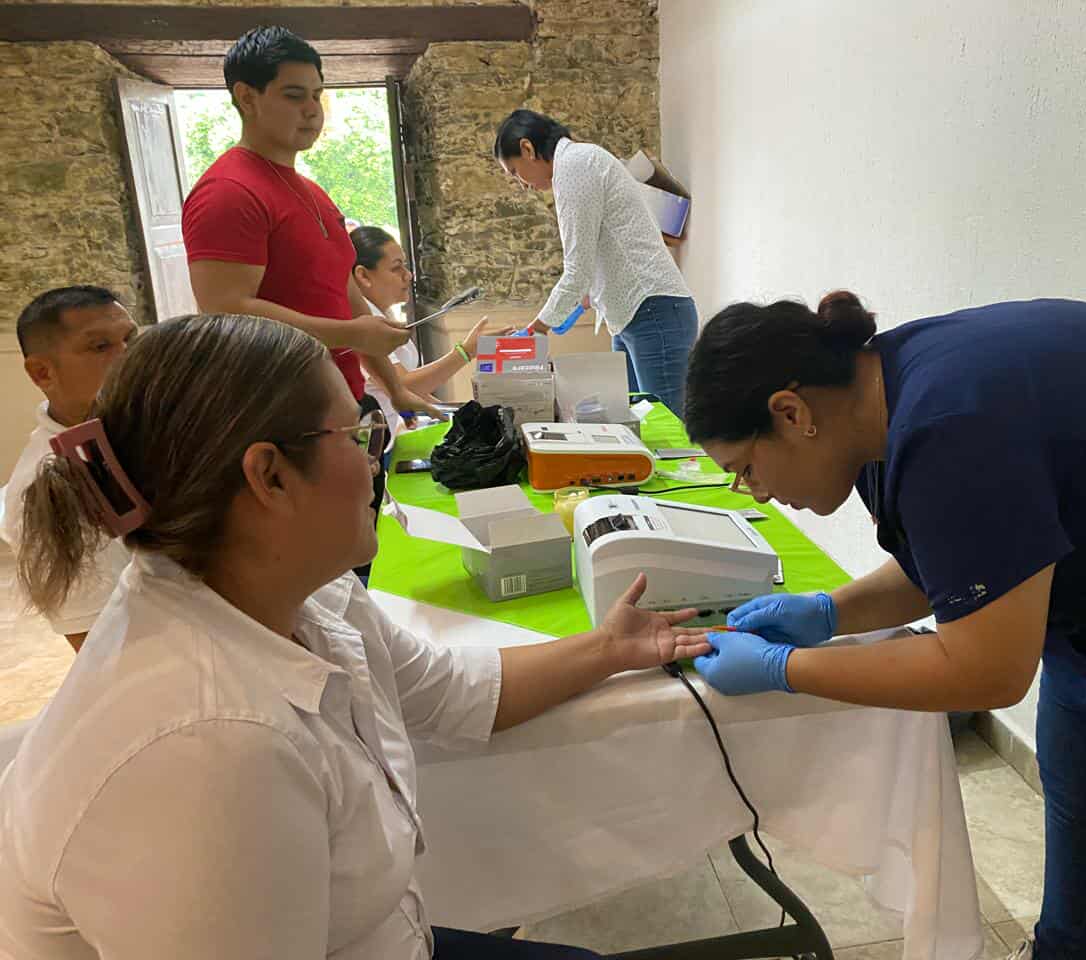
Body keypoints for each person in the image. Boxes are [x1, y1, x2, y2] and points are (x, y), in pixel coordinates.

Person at [0, 313, 710, 959]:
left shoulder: (303, 595)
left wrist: (610, 648)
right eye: (356, 435)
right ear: (270, 476)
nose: (375, 460)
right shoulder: (212, 745)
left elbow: (450, 691)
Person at [679, 293, 1086, 960]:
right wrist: (830, 612)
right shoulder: (876, 410)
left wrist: (785, 670)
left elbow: (986, 672)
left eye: (745, 470)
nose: (756, 492)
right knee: (1078, 833)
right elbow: (961, 561)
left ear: (791, 413)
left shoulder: (952, 424)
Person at [181, 26, 430, 417]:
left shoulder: (313, 193)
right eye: (294, 96)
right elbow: (227, 311)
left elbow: (346, 292)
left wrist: (395, 389)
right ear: (247, 97)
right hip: (279, 411)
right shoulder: (228, 191)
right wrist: (351, 335)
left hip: (341, 402)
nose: (313, 110)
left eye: (316, 95)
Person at [493, 109, 698, 418]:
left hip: (652, 311)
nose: (521, 184)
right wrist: (590, 294)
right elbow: (602, 247)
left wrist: (537, 328)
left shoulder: (574, 165)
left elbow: (577, 269)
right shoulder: (579, 161)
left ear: (527, 149)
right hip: (635, 314)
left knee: (667, 430)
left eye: (514, 172)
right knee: (633, 422)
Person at [1, 286, 137, 651]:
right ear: (43, 372)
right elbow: (100, 646)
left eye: (130, 339)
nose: (128, 356)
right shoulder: (43, 489)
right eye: (100, 347)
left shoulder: (140, 425)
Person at [350, 225, 499, 429]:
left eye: (405, 266)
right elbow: (402, 387)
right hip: (380, 436)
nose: (408, 275)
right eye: (396, 268)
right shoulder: (366, 322)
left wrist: (457, 414)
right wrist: (465, 352)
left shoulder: (381, 314)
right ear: (363, 276)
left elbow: (415, 393)